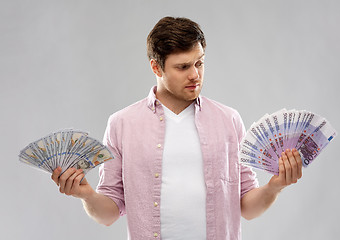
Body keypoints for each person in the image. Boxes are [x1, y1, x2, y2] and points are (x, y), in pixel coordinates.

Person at [51, 16, 303, 239]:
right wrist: (86, 195)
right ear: (156, 67)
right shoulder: (122, 124)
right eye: (183, 67)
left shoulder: (229, 120)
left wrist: (275, 186)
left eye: (200, 63)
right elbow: (108, 214)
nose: (195, 74)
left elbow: (247, 207)